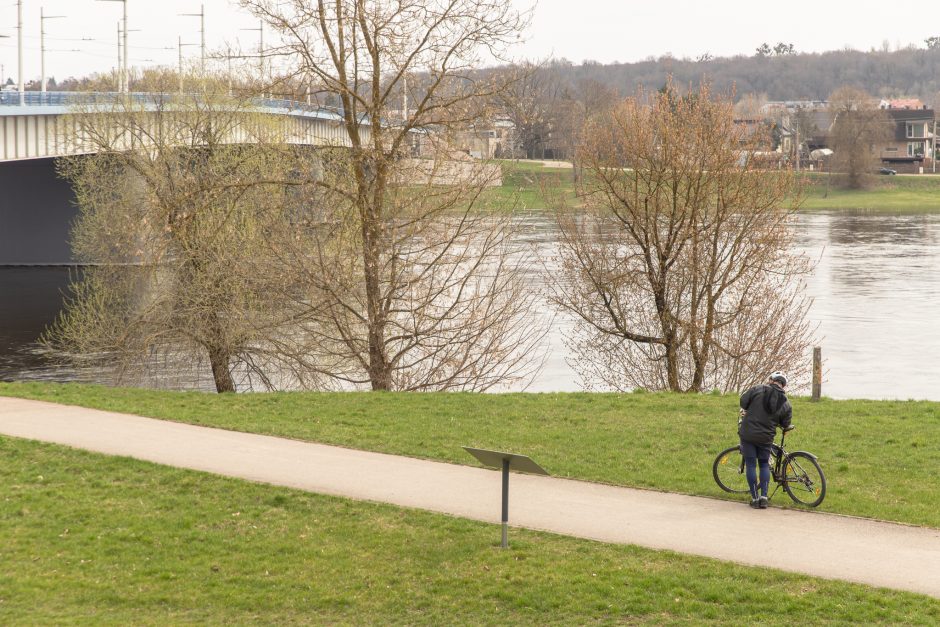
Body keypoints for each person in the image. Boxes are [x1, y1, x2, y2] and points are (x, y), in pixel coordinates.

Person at [738, 371, 792, 509]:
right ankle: (764, 498)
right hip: (766, 437)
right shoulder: (785, 402)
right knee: (763, 465)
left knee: (750, 465)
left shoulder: (757, 389)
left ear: (771, 380)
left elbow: (743, 401)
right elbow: (785, 423)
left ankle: (755, 499)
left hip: (748, 434)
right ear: (783, 385)